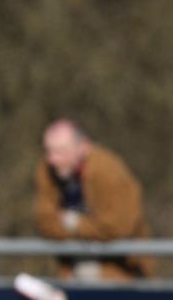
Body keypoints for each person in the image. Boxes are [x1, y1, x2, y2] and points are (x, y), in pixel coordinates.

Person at [33, 118, 152, 280]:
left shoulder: (109, 172)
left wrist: (73, 223)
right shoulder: (48, 171)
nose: (53, 159)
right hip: (70, 270)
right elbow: (45, 222)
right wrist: (91, 231)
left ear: (82, 147)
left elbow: (117, 227)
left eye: (60, 151)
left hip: (120, 271)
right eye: (49, 151)